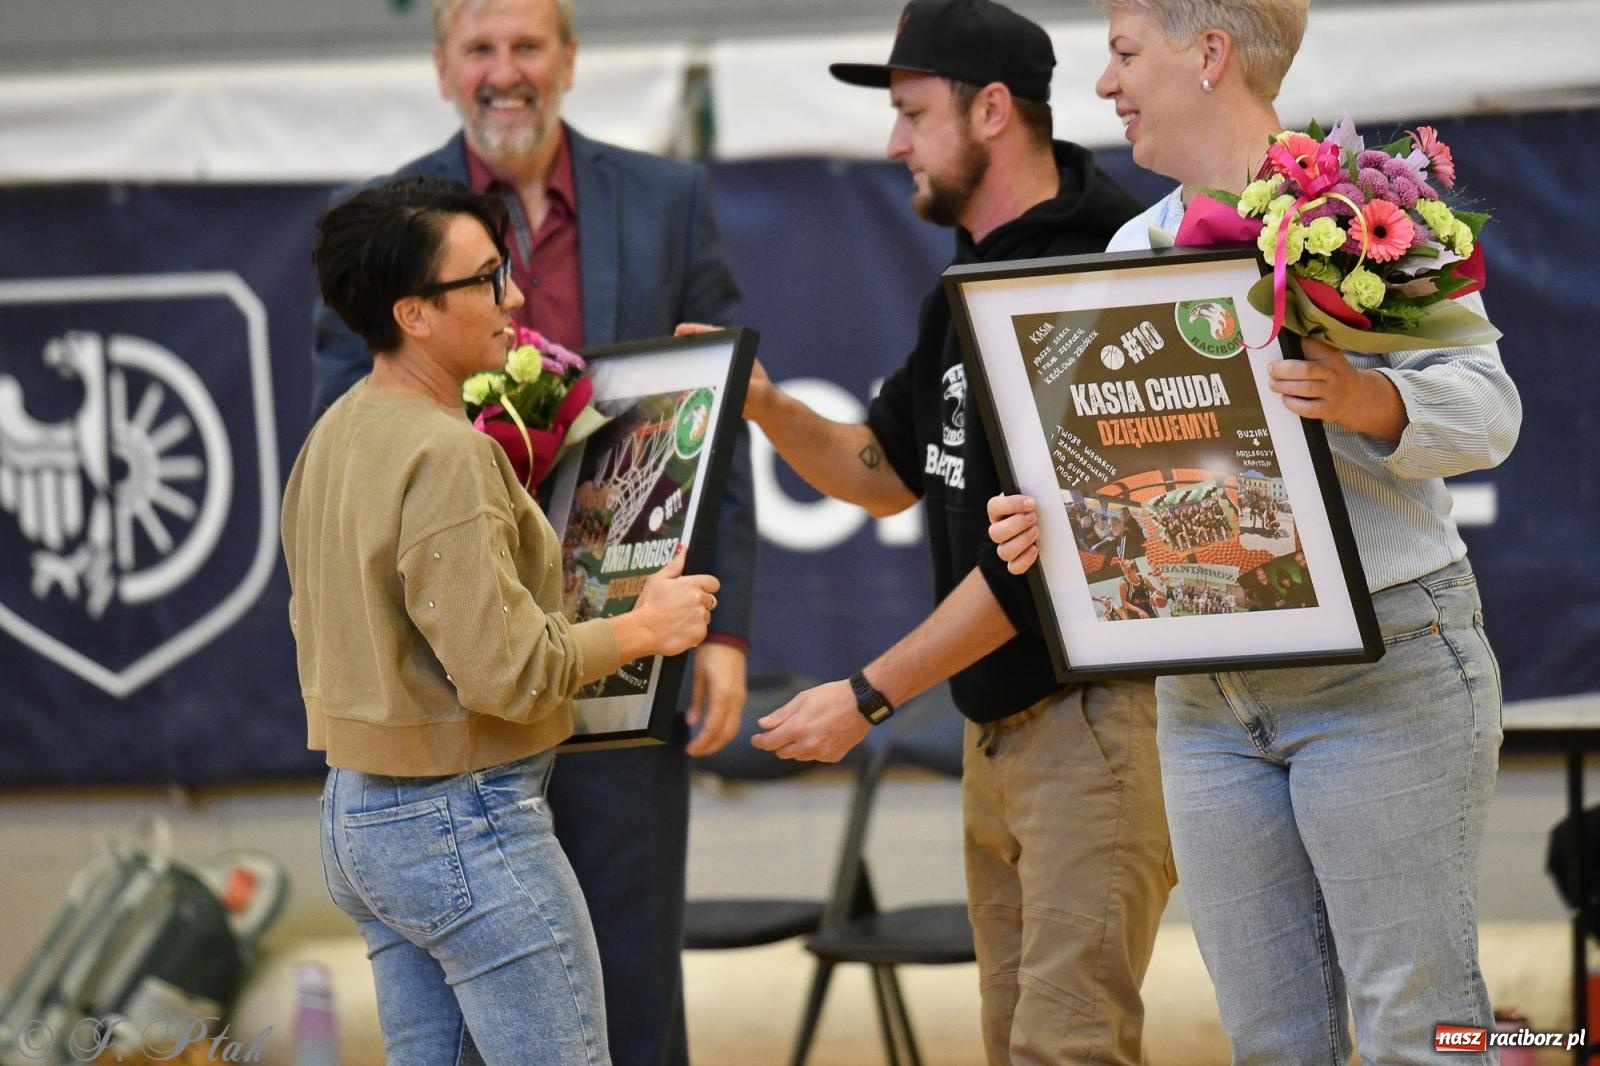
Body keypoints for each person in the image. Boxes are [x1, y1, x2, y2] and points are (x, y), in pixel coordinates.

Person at [986, 2, 1520, 1061]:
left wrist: (1359, 396)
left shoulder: (1370, 210)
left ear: (1210, 54)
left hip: (1387, 664)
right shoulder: (1136, 248)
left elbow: (1490, 409)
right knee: (1274, 1043)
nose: (1104, 85)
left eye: (1125, 54)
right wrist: (1051, 520)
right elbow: (1135, 479)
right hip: (1201, 696)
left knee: (1419, 1031)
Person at [307, 2, 758, 1060]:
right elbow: (350, 440)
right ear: (441, 68)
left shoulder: (665, 199)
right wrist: (477, 469)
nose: (504, 72)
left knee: (633, 979)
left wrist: (721, 625)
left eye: (526, 46)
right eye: (480, 48)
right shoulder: (383, 235)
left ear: (567, 60)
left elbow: (717, 424)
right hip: (461, 686)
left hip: (622, 651)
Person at [726, 2, 1174, 1061]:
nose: (892, 143)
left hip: (1091, 724)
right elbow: (883, 473)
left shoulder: (1088, 271)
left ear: (989, 111)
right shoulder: (965, 280)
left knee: (1067, 1048)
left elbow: (1045, 570)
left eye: (910, 113)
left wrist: (869, 693)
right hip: (999, 734)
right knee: (1014, 1042)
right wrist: (764, 403)